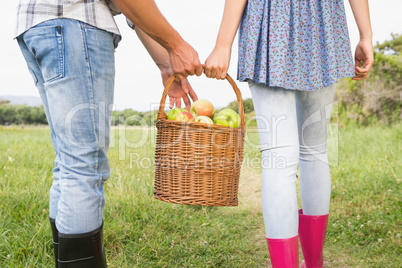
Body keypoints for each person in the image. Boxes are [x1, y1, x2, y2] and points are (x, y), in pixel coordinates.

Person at [15, 0, 201, 267]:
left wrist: (165, 65)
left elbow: (130, 10)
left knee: (70, 163)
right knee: (84, 166)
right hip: (74, 25)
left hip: (38, 24)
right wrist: (177, 45)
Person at [204, 0, 373, 267]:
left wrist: (223, 43)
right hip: (322, 17)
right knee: (314, 150)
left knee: (278, 157)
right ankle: (314, 263)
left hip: (270, 19)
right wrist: (366, 35)